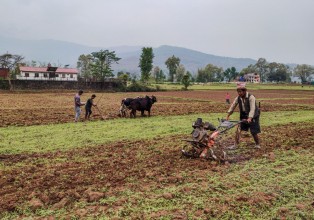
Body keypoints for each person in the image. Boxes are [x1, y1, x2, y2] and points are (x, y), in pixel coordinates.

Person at [226, 82, 261, 149]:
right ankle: (235, 145)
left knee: (253, 131)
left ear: (245, 91)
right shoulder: (238, 98)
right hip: (244, 115)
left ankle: (257, 144)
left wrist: (250, 118)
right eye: (238, 92)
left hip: (253, 115)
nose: (239, 93)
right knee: (238, 129)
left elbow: (252, 109)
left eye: (240, 92)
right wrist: (228, 115)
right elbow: (233, 106)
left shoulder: (251, 97)